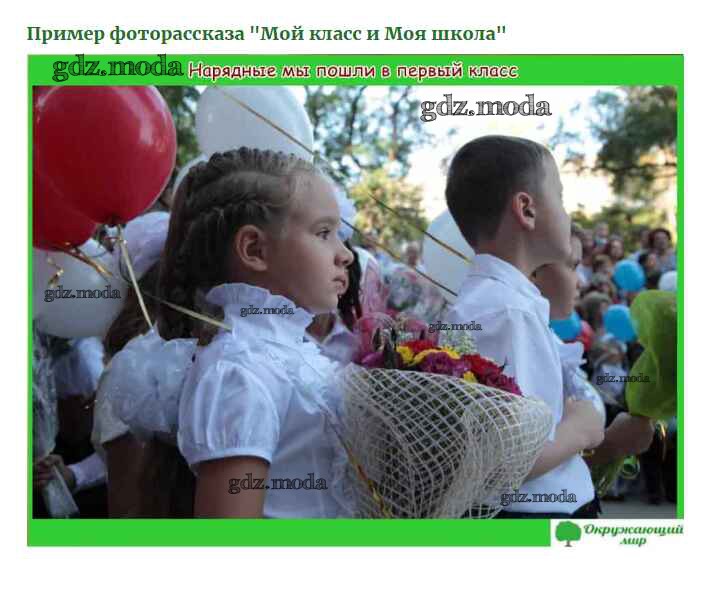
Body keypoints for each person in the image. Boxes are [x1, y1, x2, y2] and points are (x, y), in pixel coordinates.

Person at [107, 148, 355, 518]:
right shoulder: (239, 370)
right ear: (254, 249)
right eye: (324, 233)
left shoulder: (279, 351)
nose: (345, 254)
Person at [444, 135, 604, 518]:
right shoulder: (506, 310)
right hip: (532, 517)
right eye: (560, 198)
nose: (567, 214)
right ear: (526, 210)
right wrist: (580, 428)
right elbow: (505, 462)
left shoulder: (504, 302)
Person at [533, 227, 654, 480]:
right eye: (572, 266)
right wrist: (610, 445)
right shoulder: (518, 330)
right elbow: (518, 468)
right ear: (533, 270)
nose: (580, 282)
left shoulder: (546, 337)